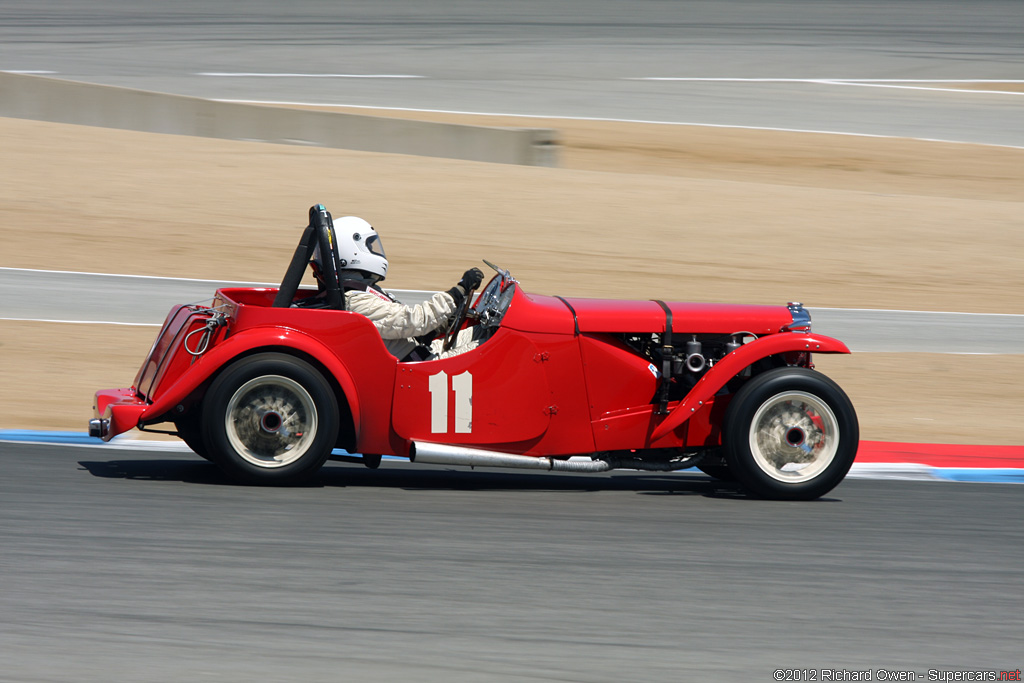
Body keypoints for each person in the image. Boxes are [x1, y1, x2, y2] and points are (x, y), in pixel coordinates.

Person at [313, 215, 487, 361]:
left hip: (421, 352)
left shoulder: (357, 294)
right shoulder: (356, 302)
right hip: (420, 367)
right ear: (352, 251)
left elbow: (404, 327)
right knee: (499, 346)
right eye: (370, 246)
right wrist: (458, 292)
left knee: (488, 331)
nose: (374, 250)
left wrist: (440, 325)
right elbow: (414, 321)